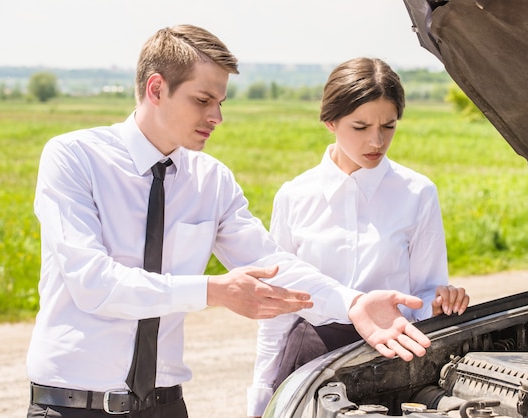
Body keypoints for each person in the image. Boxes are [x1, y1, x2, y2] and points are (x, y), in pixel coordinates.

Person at [26, 26, 434, 418]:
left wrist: (353, 303)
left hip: (166, 406)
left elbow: (273, 263)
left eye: (221, 102)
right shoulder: (74, 158)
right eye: (203, 100)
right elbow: (93, 283)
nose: (216, 116)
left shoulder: (211, 180)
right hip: (73, 406)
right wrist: (213, 291)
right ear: (156, 89)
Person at [247, 57, 470, 417]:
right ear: (330, 122)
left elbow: (426, 293)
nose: (377, 140)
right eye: (361, 126)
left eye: (389, 126)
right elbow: (278, 310)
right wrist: (262, 397)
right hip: (309, 362)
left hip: (392, 366)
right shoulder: (294, 195)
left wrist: (440, 302)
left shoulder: (418, 193)